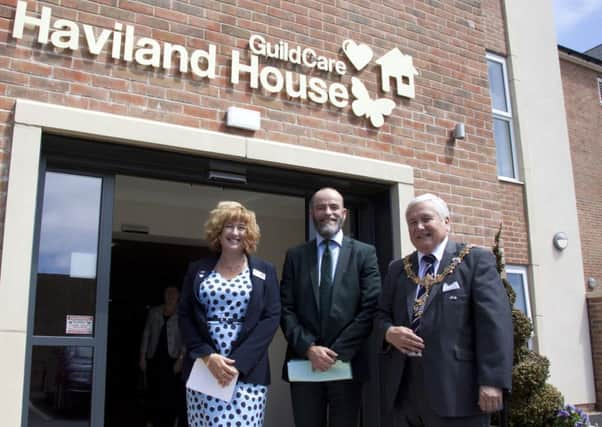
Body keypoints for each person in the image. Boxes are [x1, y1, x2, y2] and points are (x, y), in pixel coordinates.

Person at [375, 193, 513, 427]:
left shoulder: (474, 260)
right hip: (404, 394)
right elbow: (380, 314)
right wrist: (389, 332)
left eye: (426, 219)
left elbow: (495, 323)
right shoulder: (398, 269)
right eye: (412, 222)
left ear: (446, 222)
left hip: (458, 392)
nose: (419, 227)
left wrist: (492, 381)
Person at [280, 187, 381, 427]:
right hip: (304, 364)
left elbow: (370, 307)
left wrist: (336, 353)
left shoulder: (364, 254)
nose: (328, 212)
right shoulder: (295, 255)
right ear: (312, 213)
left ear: (344, 213)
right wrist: (309, 348)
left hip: (346, 364)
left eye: (334, 207)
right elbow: (285, 308)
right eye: (321, 207)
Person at [178, 201, 280, 427]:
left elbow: (271, 317)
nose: (235, 233)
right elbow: (184, 314)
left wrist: (238, 364)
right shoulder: (197, 269)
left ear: (249, 233)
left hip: (247, 371)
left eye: (242, 228)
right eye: (229, 226)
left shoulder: (265, 271)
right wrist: (207, 355)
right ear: (218, 231)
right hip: (205, 368)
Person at [139, 286, 186, 427]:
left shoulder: (183, 313)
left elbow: (186, 338)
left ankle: (172, 421)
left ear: (179, 296)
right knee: (153, 390)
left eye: (174, 293)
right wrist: (142, 356)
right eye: (168, 293)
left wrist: (181, 359)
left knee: (171, 392)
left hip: (173, 360)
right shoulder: (154, 312)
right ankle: (151, 421)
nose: (171, 295)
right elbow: (146, 334)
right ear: (164, 295)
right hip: (154, 357)